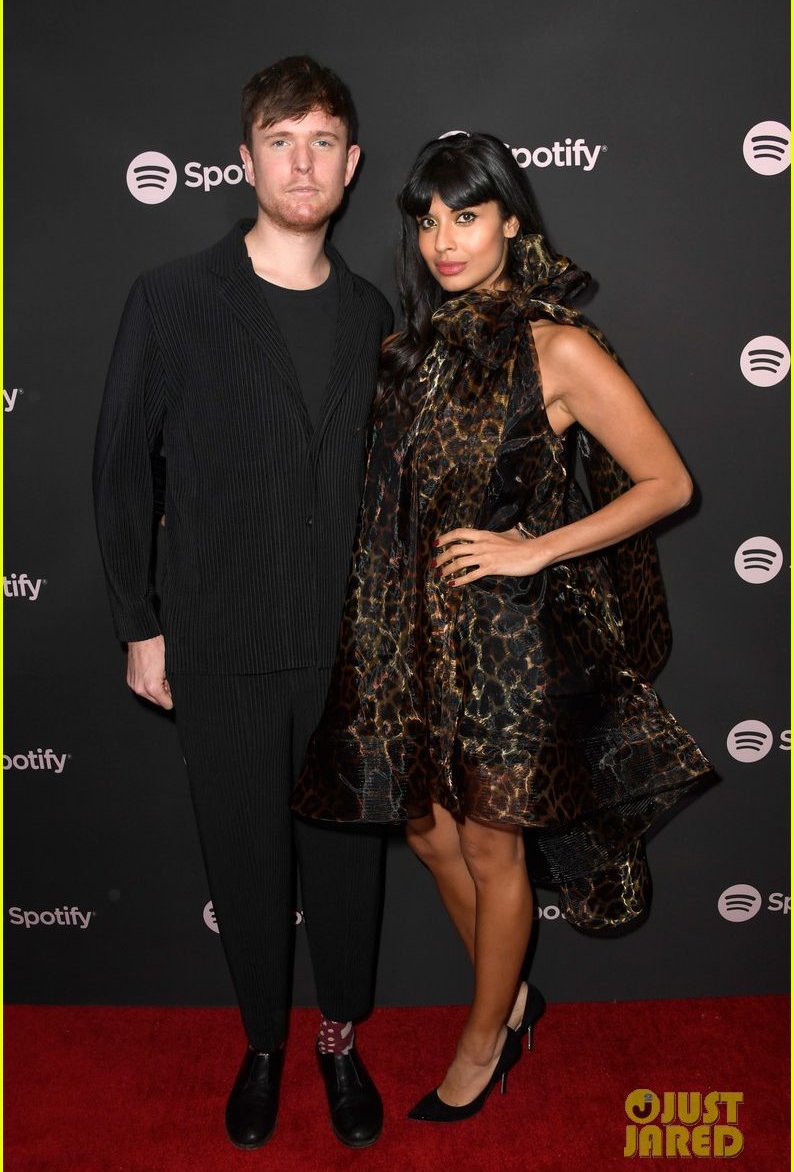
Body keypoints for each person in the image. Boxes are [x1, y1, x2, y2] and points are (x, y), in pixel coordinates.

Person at [291, 132, 713, 1122]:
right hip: (410, 640)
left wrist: (537, 548)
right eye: (428, 220)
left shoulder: (554, 346)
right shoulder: (407, 352)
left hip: (506, 646)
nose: (443, 240)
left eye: (467, 216)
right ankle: (512, 997)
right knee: (429, 831)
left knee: (491, 849)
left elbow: (667, 482)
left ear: (512, 223)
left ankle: (484, 1039)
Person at [93, 56, 392, 1150]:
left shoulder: (373, 313)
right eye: (281, 141)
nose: (302, 163)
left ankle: (339, 1041)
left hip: (347, 653)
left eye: (323, 142)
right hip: (219, 642)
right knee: (245, 863)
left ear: (351, 165)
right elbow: (120, 470)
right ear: (245, 160)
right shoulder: (171, 299)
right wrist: (139, 622)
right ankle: (264, 1042)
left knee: (348, 870)